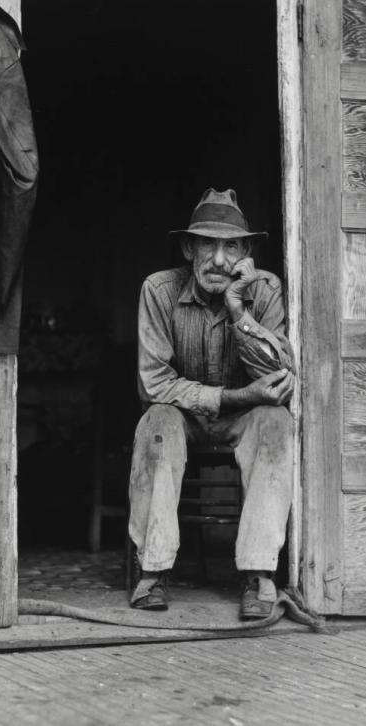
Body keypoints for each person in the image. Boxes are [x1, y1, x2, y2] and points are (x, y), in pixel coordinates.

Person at [128, 188, 295, 619]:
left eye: (232, 247)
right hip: (184, 416)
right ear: (188, 247)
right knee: (156, 421)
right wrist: (232, 396)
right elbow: (154, 385)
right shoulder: (159, 291)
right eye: (208, 244)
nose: (220, 260)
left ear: (246, 252)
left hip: (245, 419)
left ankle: (258, 573)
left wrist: (239, 310)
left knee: (276, 422)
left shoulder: (265, 289)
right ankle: (153, 570)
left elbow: (276, 379)